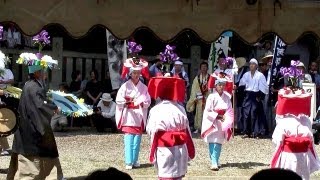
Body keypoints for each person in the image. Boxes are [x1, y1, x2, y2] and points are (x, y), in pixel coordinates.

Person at [9, 64, 64, 179]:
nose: (45, 74)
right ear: (36, 73)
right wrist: (53, 108)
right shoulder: (34, 87)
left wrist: (50, 105)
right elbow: (39, 106)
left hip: (26, 127)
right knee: (31, 165)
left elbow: (40, 103)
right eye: (42, 71)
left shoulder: (29, 85)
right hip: (33, 130)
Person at [147, 76, 195, 180]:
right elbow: (187, 130)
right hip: (180, 148)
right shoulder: (180, 108)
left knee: (166, 175)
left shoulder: (155, 110)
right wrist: (190, 150)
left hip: (164, 148)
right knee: (178, 176)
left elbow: (151, 130)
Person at [271, 89, 320, 180]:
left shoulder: (284, 121)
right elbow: (311, 138)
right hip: (304, 155)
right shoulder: (306, 120)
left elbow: (277, 140)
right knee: (303, 177)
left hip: (289, 155)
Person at [115, 57, 151, 170]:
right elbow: (118, 100)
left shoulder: (144, 87)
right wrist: (127, 102)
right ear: (130, 74)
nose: (136, 75)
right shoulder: (125, 86)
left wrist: (142, 103)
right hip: (128, 115)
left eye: (138, 73)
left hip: (138, 115)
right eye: (134, 73)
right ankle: (129, 161)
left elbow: (148, 101)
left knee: (137, 141)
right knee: (129, 139)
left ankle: (135, 160)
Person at [201, 76, 234, 171]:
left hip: (223, 120)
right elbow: (207, 111)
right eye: (219, 85)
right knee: (212, 140)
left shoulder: (227, 97)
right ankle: (213, 161)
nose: (221, 87)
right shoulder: (211, 97)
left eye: (223, 85)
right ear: (216, 86)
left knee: (219, 141)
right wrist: (217, 116)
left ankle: (216, 159)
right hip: (213, 121)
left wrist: (228, 119)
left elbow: (229, 109)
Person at [239, 58, 269, 138]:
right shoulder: (246, 74)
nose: (251, 65)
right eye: (250, 64)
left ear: (256, 66)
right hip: (248, 95)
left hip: (256, 95)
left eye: (253, 64)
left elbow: (264, 87)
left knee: (254, 114)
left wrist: (260, 96)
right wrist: (242, 92)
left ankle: (255, 132)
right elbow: (241, 84)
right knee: (245, 113)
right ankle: (246, 131)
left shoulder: (260, 75)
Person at [186, 62, 210, 133]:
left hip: (207, 99)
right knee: (198, 113)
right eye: (202, 67)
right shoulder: (197, 78)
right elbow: (194, 89)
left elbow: (211, 89)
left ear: (207, 68)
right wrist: (196, 97)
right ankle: (198, 127)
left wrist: (208, 96)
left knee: (207, 112)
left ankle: (207, 127)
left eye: (205, 67)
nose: (203, 68)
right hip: (199, 99)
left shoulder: (210, 78)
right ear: (200, 68)